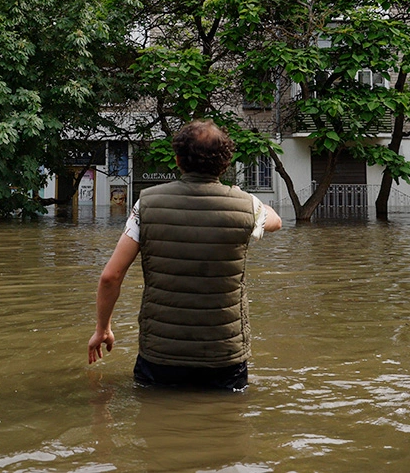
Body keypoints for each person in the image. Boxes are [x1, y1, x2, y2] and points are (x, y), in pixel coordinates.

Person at [87, 120, 282, 391]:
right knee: (229, 416)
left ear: (178, 160)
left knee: (152, 413)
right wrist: (245, 199)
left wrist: (103, 329)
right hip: (224, 356)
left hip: (160, 355)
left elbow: (111, 276)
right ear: (225, 163)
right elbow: (276, 221)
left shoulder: (147, 204)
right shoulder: (247, 207)